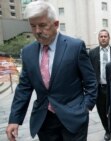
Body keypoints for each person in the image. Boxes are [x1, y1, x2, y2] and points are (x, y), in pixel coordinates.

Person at [5, 1, 97, 141]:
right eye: (33, 26)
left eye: (42, 25)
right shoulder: (28, 52)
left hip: (73, 118)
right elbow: (24, 87)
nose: (37, 31)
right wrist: (14, 119)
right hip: (44, 120)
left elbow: (90, 82)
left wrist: (85, 108)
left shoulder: (75, 47)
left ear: (55, 24)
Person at [89, 29, 111, 140]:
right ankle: (107, 130)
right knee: (102, 112)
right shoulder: (92, 53)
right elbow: (89, 71)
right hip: (99, 89)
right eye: (101, 36)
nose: (103, 38)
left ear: (109, 38)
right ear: (98, 38)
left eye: (105, 36)